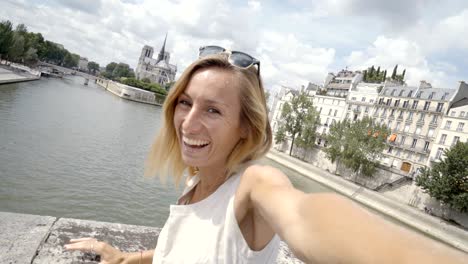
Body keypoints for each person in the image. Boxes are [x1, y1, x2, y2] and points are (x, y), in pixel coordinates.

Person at [64, 46, 467, 264]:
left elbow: (309, 216)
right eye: (186, 102)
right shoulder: (197, 183)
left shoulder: (254, 185)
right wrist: (128, 260)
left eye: (213, 110)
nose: (188, 123)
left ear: (246, 128)